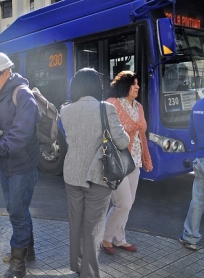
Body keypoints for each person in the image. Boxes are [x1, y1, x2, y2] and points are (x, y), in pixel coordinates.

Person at [60, 68, 129, 278]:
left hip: (72, 174)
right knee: (93, 228)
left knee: (76, 224)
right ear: (96, 87)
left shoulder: (65, 110)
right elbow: (123, 141)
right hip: (100, 176)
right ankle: (89, 274)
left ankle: (77, 265)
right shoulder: (106, 108)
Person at [0, 52, 41, 278]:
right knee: (17, 210)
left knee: (17, 213)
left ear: (7, 72)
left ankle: (18, 266)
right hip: (6, 165)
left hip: (22, 166)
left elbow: (21, 134)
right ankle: (28, 252)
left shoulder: (22, 94)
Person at [102, 70, 153, 255]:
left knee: (128, 204)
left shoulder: (138, 106)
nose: (137, 87)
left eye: (138, 84)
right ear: (124, 85)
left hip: (135, 161)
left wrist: (145, 156)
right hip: (118, 162)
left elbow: (142, 134)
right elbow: (106, 134)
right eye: (133, 84)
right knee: (122, 203)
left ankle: (119, 238)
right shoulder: (111, 104)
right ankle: (106, 238)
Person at [178, 94, 204, 251]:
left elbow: (191, 131)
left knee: (198, 200)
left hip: (201, 158)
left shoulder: (197, 106)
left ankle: (190, 238)